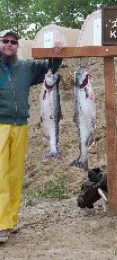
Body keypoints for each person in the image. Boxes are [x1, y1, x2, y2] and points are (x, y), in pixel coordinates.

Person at [0, 30, 64, 243]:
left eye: (13, 42)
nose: (9, 44)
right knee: (0, 176)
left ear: (17, 46)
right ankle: (2, 224)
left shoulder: (26, 68)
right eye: (5, 41)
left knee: (15, 176)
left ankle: (10, 222)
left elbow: (50, 67)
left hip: (21, 126)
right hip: (0, 126)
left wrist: (57, 51)